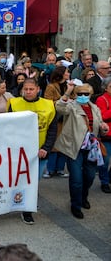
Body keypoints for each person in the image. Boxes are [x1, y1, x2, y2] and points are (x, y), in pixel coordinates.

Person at [55, 83, 108, 219]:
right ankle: (76, 204)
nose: (83, 96)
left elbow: (100, 122)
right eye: (80, 94)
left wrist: (103, 126)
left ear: (90, 95)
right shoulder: (72, 106)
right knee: (76, 179)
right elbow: (59, 108)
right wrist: (68, 91)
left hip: (91, 148)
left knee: (90, 176)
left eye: (86, 94)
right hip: (74, 147)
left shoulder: (94, 108)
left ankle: (83, 197)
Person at [7, 77, 57, 224]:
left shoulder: (49, 105)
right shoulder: (14, 104)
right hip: (20, 152)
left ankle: (27, 203)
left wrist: (46, 148)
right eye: (26, 89)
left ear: (38, 90)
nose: (28, 92)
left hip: (40, 153)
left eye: (31, 89)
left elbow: (52, 130)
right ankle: (26, 210)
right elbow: (8, 128)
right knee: (22, 181)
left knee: (34, 181)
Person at [43, 66, 71, 178]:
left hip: (66, 118)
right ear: (61, 74)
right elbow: (47, 101)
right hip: (56, 117)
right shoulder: (51, 86)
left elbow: (74, 96)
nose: (69, 73)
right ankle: (50, 169)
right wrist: (63, 100)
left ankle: (60, 169)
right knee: (54, 144)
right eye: (67, 72)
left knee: (63, 144)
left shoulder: (69, 85)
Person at [95, 77, 111, 193]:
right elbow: (102, 116)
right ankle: (104, 182)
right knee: (105, 161)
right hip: (107, 135)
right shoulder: (101, 99)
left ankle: (108, 178)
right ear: (105, 88)